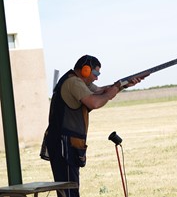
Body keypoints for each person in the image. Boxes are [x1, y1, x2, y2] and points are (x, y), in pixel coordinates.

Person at [40, 55, 142, 197]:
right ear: (85, 70)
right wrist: (117, 87)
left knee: (69, 189)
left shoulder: (78, 82)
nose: (96, 78)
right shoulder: (74, 82)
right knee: (69, 191)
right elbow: (95, 102)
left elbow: (100, 90)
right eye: (95, 73)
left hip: (65, 143)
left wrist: (122, 85)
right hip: (64, 144)